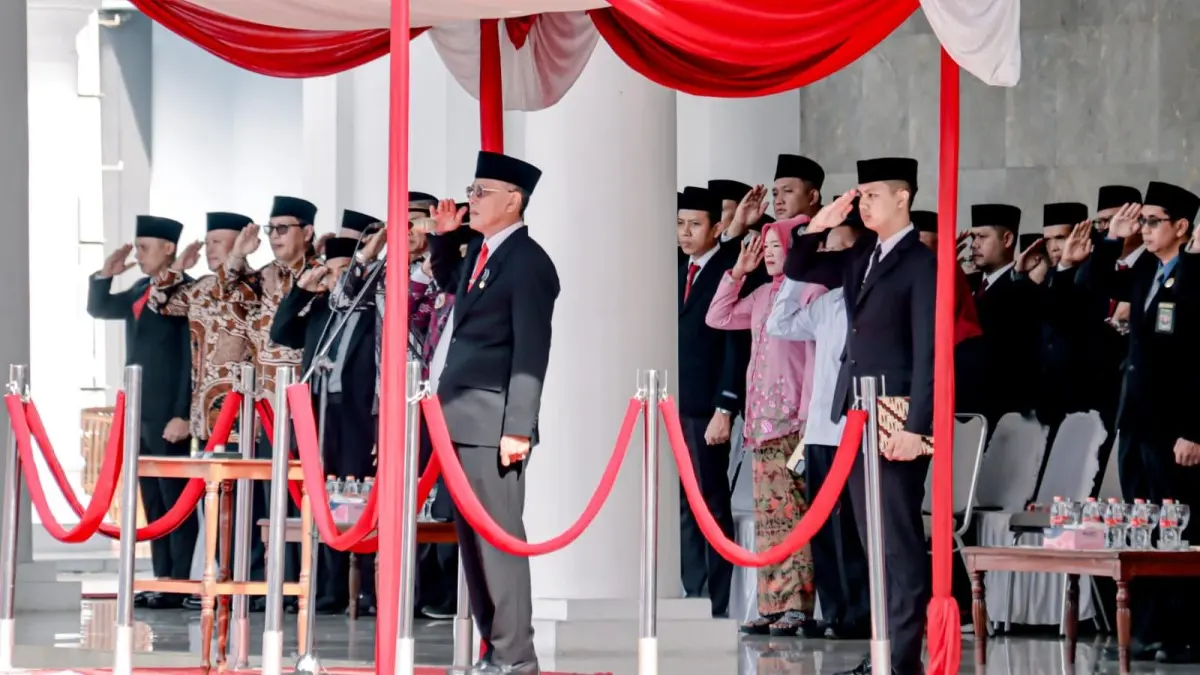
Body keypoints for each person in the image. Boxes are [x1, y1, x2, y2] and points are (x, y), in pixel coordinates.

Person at [783, 157, 935, 675]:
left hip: (896, 412)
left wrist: (918, 428)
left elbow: (929, 352)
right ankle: (882, 652)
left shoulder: (920, 261)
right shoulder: (864, 255)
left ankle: (904, 658)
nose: (863, 203)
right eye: (861, 195)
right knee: (873, 542)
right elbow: (800, 269)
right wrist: (815, 227)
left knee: (897, 539)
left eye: (872, 194)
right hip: (856, 411)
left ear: (902, 198)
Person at [427, 150, 559, 675]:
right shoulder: (484, 253)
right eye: (472, 189)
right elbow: (451, 287)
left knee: (500, 546)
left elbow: (531, 352)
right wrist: (442, 237)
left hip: (492, 426)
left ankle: (516, 656)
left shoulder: (528, 263)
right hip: (460, 419)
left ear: (514, 200)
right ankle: (495, 649)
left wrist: (518, 429)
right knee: (473, 549)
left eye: (481, 192)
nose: (471, 200)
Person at [1060, 182, 1200, 664]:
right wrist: (1109, 241)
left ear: (1181, 227)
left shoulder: (1197, 276)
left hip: (1175, 427)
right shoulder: (1146, 269)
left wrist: (1195, 429)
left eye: (1153, 221)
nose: (1145, 229)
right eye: (1144, 221)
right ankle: (1151, 629)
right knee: (1148, 526)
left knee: (1179, 527)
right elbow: (1093, 287)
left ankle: (1184, 633)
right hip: (1136, 420)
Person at [705, 218, 824, 636]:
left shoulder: (811, 292)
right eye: (766, 246)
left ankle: (798, 605)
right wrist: (737, 271)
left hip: (793, 420)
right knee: (768, 518)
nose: (769, 252)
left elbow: (814, 358)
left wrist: (809, 416)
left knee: (793, 515)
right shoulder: (760, 294)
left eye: (777, 245)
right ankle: (772, 604)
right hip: (760, 422)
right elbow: (717, 317)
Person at [767, 222, 871, 640]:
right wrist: (794, 282)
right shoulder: (827, 304)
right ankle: (837, 613)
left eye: (839, 246)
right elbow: (779, 323)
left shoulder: (872, 302)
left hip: (857, 429)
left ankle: (862, 614)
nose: (829, 255)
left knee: (855, 531)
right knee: (823, 529)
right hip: (821, 431)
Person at [87, 215, 196, 609]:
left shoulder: (186, 291)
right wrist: (105, 274)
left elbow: (190, 359)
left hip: (169, 414)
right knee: (152, 502)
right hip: (139, 412)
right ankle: (163, 579)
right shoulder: (139, 286)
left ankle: (179, 584)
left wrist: (183, 413)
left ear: (169, 248)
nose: (139, 253)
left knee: (175, 502)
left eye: (146, 246)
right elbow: (99, 309)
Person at [675, 185, 743, 619]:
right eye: (680, 224)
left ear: (717, 228)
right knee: (681, 504)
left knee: (710, 504)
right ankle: (691, 591)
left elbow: (737, 344)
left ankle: (717, 603)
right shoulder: (672, 268)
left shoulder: (729, 268)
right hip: (673, 404)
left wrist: (725, 406)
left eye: (695, 224)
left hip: (706, 408)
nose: (685, 233)